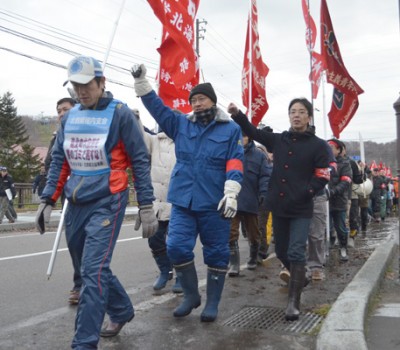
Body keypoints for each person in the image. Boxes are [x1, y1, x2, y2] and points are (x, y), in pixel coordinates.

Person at [35, 55, 157, 349]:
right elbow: (59, 161)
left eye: (86, 84)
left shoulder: (121, 114)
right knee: (92, 266)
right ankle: (121, 309)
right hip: (76, 201)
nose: (80, 91)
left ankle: (84, 342)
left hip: (108, 200)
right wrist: (48, 198)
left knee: (92, 271)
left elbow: (139, 160)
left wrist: (147, 204)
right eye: (75, 86)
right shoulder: (69, 118)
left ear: (102, 83)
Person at [132, 64, 244, 322]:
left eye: (201, 98)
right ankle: (191, 295)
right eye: (193, 99)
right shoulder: (180, 124)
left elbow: (235, 160)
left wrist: (232, 191)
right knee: (176, 247)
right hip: (183, 200)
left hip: (215, 202)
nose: (196, 103)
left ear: (213, 101)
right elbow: (157, 108)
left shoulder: (230, 129)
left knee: (216, 252)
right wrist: (142, 82)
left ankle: (212, 302)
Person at [228, 97, 330, 321]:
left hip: (302, 206)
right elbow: (253, 133)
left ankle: (294, 302)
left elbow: (323, 174)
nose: (296, 115)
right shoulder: (280, 140)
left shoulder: (319, 145)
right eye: (293, 111)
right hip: (280, 205)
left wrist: (308, 191)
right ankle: (299, 277)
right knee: (282, 251)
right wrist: (237, 115)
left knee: (295, 251)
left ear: (308, 117)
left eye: (301, 111)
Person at [134, 110, 182, 293]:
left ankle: (181, 275)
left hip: (179, 202)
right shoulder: (154, 141)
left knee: (177, 243)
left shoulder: (183, 141)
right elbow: (140, 136)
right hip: (157, 202)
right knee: (154, 240)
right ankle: (165, 270)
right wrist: (136, 119)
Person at [228, 130, 270, 275]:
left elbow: (265, 176)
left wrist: (263, 193)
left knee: (253, 233)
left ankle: (253, 257)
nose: (242, 139)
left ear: (249, 137)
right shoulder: (231, 152)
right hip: (233, 199)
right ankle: (234, 264)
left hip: (252, 199)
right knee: (231, 232)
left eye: (244, 136)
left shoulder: (259, 156)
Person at [326, 139, 353, 262]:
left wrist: (333, 191)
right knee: (325, 227)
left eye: (332, 147)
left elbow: (346, 181)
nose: (329, 149)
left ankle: (343, 247)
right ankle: (326, 248)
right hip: (323, 201)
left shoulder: (345, 164)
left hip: (338, 200)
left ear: (338, 150)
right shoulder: (321, 162)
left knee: (340, 227)